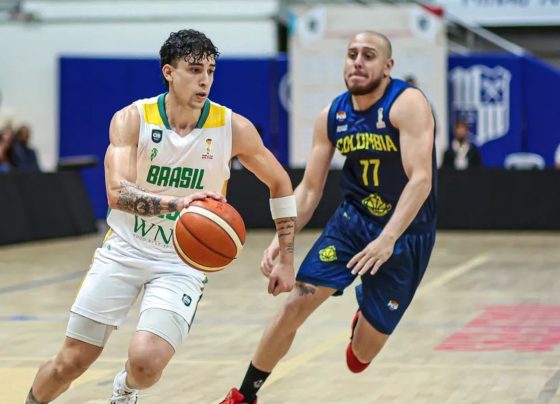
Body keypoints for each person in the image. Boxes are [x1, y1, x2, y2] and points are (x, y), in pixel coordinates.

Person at [25, 29, 297, 404]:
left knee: (146, 364)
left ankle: (125, 389)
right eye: (195, 69)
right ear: (169, 72)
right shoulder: (133, 119)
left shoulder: (232, 128)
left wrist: (287, 257)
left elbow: (280, 182)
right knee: (69, 363)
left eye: (211, 71)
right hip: (125, 248)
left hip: (181, 262)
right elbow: (118, 194)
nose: (205, 80)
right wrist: (179, 204)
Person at [221, 30, 437, 404]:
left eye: (368, 55)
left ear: (388, 66)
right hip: (351, 225)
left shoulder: (407, 104)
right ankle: (243, 396)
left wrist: (387, 239)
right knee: (295, 305)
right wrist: (282, 238)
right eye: (352, 54)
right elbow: (308, 190)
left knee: (361, 357)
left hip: (405, 233)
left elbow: (421, 180)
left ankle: (364, 314)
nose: (358, 62)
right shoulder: (332, 115)